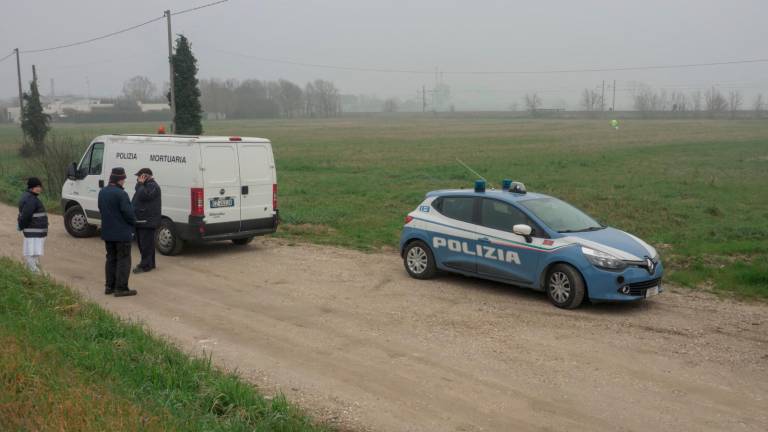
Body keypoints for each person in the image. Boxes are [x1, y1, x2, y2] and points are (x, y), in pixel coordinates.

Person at [98, 167, 137, 297]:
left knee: (111, 259)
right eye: (124, 179)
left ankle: (109, 286)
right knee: (124, 260)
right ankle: (121, 288)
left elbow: (100, 208)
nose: (124, 181)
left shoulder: (102, 192)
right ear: (120, 179)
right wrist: (134, 222)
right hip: (121, 234)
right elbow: (128, 213)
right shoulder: (121, 194)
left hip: (107, 232)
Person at [131, 168, 161, 274]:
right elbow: (139, 193)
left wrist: (140, 184)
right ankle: (150, 263)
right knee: (145, 244)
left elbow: (144, 196)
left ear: (145, 176)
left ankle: (145, 265)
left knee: (145, 245)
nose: (137, 179)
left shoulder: (153, 186)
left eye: (139, 176)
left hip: (147, 220)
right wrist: (140, 184)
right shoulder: (144, 186)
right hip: (142, 220)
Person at [17, 177, 48, 273]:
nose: (39, 188)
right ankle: (35, 273)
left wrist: (21, 226)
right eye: (36, 186)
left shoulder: (30, 197)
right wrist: (21, 226)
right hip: (33, 232)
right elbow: (25, 216)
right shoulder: (31, 199)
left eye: (40, 186)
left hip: (34, 232)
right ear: (31, 188)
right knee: (31, 253)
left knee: (33, 253)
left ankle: (29, 272)